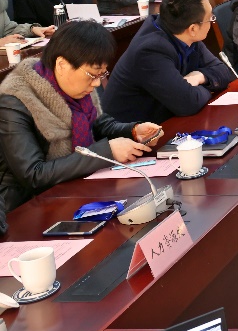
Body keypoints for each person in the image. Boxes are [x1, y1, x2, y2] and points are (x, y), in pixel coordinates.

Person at [0, 21, 158, 218]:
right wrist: (105, 152)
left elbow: (98, 124)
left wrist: (132, 131)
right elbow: (34, 175)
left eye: (101, 74)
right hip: (25, 209)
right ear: (62, 65)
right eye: (92, 74)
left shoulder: (74, 86)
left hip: (72, 189)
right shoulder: (14, 102)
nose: (97, 83)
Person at [102, 0, 233, 126]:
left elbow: (224, 72)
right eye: (210, 18)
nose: (212, 21)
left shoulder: (182, 31)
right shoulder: (150, 51)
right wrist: (206, 86)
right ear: (193, 28)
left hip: (166, 120)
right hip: (131, 132)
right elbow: (188, 103)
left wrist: (200, 76)